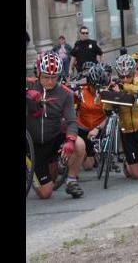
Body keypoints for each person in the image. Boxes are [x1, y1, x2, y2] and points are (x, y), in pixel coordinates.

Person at [26, 52, 87, 199]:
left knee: (79, 144)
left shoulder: (65, 93)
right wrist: (27, 92)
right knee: (46, 193)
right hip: (34, 145)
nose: (50, 81)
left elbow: (72, 121)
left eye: (54, 77)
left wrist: (70, 141)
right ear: (39, 73)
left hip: (53, 138)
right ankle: (31, 165)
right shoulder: (30, 83)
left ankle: (71, 180)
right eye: (46, 77)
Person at [106, 55, 138, 180]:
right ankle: (128, 163)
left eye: (128, 76)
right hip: (127, 131)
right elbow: (106, 110)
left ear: (133, 73)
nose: (125, 79)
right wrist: (110, 94)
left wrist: (125, 87)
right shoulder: (115, 86)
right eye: (122, 77)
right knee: (136, 175)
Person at [75, 64, 109, 171]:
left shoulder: (106, 93)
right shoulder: (81, 92)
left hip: (97, 129)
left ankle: (94, 154)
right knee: (81, 154)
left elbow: (109, 116)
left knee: (88, 166)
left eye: (100, 86)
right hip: (82, 128)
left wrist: (97, 128)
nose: (97, 89)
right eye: (94, 86)